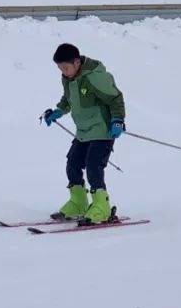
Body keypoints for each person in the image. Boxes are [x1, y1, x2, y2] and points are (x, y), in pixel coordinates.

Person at [42, 43, 126, 224]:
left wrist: (117, 120)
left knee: (93, 166)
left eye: (65, 67)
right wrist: (58, 111)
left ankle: (101, 207)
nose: (62, 71)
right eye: (59, 68)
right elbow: (68, 99)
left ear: (77, 62)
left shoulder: (95, 77)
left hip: (103, 131)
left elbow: (115, 98)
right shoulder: (68, 78)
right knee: (72, 164)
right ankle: (79, 202)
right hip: (83, 132)